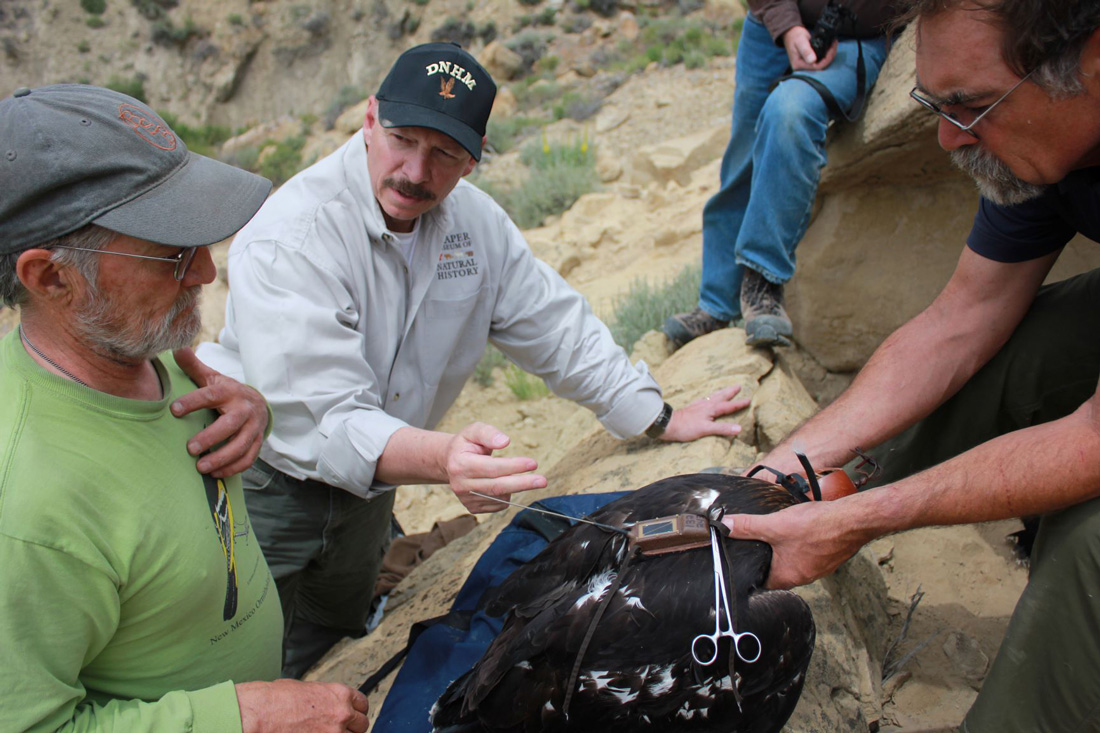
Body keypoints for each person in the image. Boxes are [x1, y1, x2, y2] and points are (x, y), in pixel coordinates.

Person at [197, 42, 755, 679]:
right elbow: (321, 415)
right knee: (245, 650)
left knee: (336, 633)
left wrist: (655, 416)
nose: (415, 171)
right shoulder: (295, 233)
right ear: (369, 119)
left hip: (374, 489)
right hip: (267, 481)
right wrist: (442, 458)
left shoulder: (476, 227)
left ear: (476, 154)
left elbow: (555, 327)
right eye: (402, 139)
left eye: (444, 154)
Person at [720, 1, 1100, 730]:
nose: (947, 137)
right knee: (1027, 342)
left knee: (1090, 549)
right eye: (935, 103)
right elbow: (960, 323)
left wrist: (868, 521)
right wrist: (787, 468)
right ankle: (815, 505)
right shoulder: (1049, 146)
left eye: (969, 105)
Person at [0, 85, 368, 733]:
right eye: (171, 252)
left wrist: (252, 410)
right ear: (51, 277)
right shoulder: (24, 509)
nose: (204, 271)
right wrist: (241, 717)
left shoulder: (137, 343)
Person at [664, 0, 898, 349]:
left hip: (863, 34)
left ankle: (763, 284)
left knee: (788, 114)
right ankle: (715, 304)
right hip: (771, 22)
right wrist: (786, 25)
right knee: (743, 157)